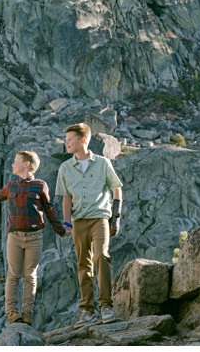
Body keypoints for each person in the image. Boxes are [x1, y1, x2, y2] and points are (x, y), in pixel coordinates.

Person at [0, 150, 67, 326]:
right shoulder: (11, 186)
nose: (12, 164)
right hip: (14, 238)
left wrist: (60, 230)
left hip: (35, 238)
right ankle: (12, 314)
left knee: (30, 276)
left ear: (26, 164)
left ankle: (27, 315)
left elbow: (49, 210)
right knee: (13, 275)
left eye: (16, 161)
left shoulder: (40, 186)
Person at [54, 122, 123, 325]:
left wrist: (116, 217)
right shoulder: (65, 168)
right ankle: (86, 311)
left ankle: (106, 307)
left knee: (102, 256)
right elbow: (66, 198)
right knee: (83, 264)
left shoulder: (102, 163)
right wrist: (66, 223)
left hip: (100, 217)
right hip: (78, 221)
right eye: (65, 140)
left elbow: (117, 188)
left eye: (70, 140)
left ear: (82, 140)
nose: (66, 143)